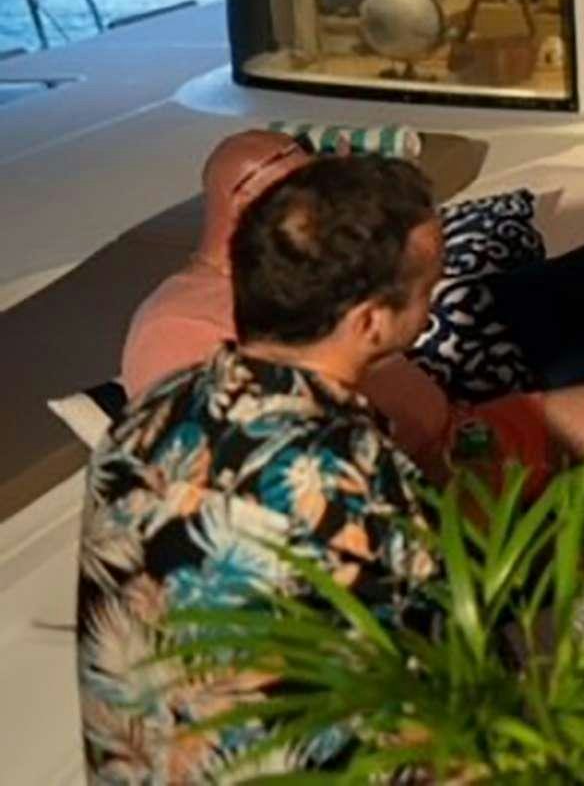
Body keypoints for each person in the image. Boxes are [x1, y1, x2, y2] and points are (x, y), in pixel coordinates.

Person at [79, 156, 446, 777]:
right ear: (370, 323)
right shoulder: (343, 478)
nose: (433, 303)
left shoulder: (143, 422)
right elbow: (447, 715)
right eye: (428, 289)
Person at [121, 130, 584, 482]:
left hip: (465, 436)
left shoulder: (303, 284)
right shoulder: (177, 329)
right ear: (248, 206)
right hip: (435, 489)